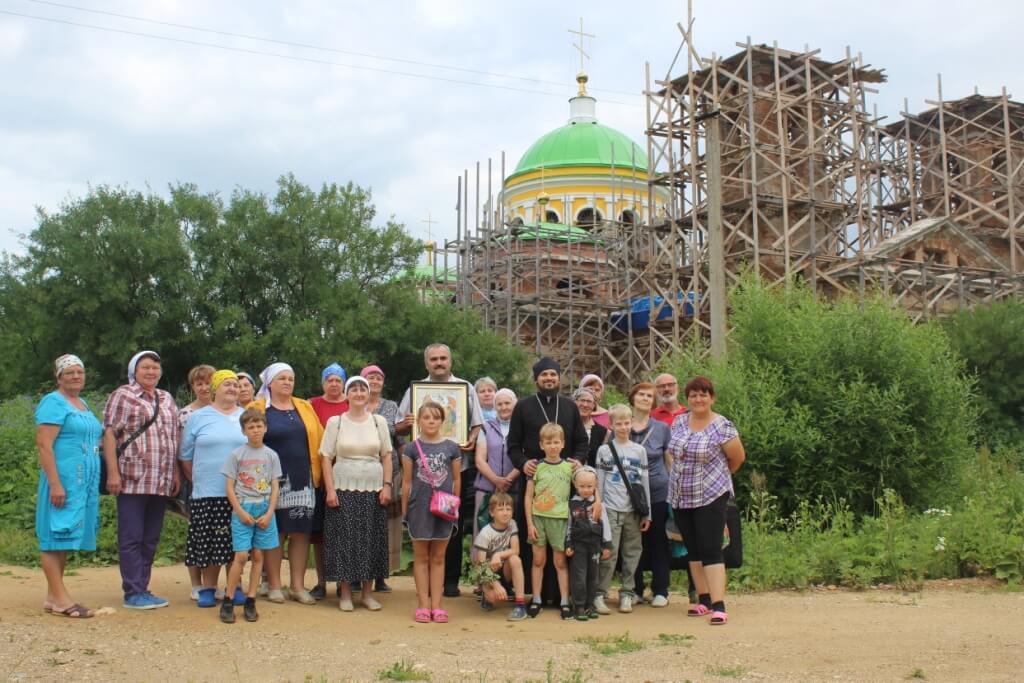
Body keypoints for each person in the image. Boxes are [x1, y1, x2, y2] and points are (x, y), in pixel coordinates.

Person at [396, 343, 482, 598]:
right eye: (434, 359)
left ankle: (451, 581)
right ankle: (427, 590)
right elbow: (400, 425)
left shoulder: (466, 388)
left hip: (457, 467)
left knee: (452, 523)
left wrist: (473, 438)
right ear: (427, 364)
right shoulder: (415, 391)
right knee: (424, 525)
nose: (439, 363)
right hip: (423, 474)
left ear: (450, 361)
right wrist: (405, 424)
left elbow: (476, 424)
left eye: (443, 358)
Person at [102, 350, 180, 610]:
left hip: (161, 479)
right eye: (145, 367)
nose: (151, 372)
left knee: (150, 537)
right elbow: (110, 434)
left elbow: (174, 437)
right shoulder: (123, 395)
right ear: (134, 370)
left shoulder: (166, 398)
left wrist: (176, 473)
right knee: (131, 536)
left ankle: (143, 587)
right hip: (132, 477)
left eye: (155, 368)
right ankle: (133, 591)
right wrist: (113, 472)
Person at [507, 357, 588, 601]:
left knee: (562, 542)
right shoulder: (523, 406)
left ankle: (563, 595)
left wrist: (578, 461)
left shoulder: (570, 407)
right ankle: (536, 593)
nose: (549, 379)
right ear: (536, 379)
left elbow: (582, 442)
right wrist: (523, 463)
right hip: (535, 481)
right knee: (535, 543)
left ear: (559, 377)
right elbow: (512, 445)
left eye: (553, 374)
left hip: (564, 483)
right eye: (544, 375)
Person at [667, 376, 746, 626]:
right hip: (681, 495)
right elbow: (672, 453)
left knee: (711, 548)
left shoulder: (722, 425)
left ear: (712, 397)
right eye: (693, 395)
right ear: (687, 399)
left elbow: (737, 458)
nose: (697, 399)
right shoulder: (679, 421)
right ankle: (703, 600)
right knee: (693, 549)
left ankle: (719, 604)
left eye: (703, 394)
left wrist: (718, 478)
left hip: (711, 494)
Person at [249, 362, 324, 605]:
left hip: (303, 478)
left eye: (291, 378)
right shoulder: (257, 407)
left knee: (301, 533)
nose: (287, 382)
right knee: (274, 533)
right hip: (268, 480)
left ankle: (297, 586)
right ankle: (272, 585)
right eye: (282, 378)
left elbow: (320, 438)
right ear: (269, 383)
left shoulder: (304, 406)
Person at [35, 354, 102, 618]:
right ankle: (62, 599)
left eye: (79, 372)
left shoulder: (82, 403)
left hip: (81, 483)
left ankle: (53, 596)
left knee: (63, 537)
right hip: (63, 480)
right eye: (69, 372)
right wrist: (54, 483)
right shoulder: (53, 402)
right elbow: (44, 444)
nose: (75, 376)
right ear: (59, 377)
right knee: (54, 535)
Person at [319, 376, 393, 612]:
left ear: (368, 393)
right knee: (345, 541)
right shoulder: (336, 422)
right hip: (343, 488)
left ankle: (367, 594)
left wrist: (387, 485)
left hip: (373, 489)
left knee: (370, 540)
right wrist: (330, 489)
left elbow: (387, 456)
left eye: (363, 389)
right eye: (354, 389)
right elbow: (325, 457)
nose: (359, 393)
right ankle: (346, 593)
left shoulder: (378, 421)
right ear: (347, 394)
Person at [179, 370, 247, 608]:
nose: (232, 389)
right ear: (215, 388)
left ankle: (234, 586)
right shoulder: (199, 417)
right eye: (226, 384)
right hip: (207, 491)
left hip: (240, 493)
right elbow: (185, 455)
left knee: (236, 541)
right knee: (209, 541)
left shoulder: (245, 416)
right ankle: (208, 588)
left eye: (235, 386)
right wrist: (197, 479)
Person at [220, 407, 282, 624]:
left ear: (265, 428)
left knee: (258, 556)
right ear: (244, 430)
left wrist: (270, 512)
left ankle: (251, 599)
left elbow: (275, 486)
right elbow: (229, 486)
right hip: (244, 508)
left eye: (259, 426)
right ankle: (228, 599)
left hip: (264, 509)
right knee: (241, 556)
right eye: (250, 427)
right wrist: (239, 511)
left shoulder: (271, 455)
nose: (255, 431)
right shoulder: (237, 455)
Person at [402, 401, 461, 623]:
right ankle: (423, 605)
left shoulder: (451, 448)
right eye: (426, 417)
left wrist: (456, 507)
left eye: (436, 418)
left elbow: (456, 479)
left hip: (444, 508)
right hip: (419, 508)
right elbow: (406, 482)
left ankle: (437, 605)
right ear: (418, 420)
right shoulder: (410, 448)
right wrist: (405, 511)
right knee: (421, 557)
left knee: (438, 557)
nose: (431, 421)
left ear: (442, 421)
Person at [594, 404, 651, 615]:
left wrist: (647, 513)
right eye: (619, 423)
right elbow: (599, 481)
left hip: (633, 510)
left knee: (632, 552)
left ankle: (627, 593)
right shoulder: (604, 450)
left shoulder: (639, 451)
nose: (624, 427)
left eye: (627, 423)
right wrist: (598, 505)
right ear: (611, 425)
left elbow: (644, 482)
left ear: (632, 424)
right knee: (609, 552)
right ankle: (600, 593)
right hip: (610, 508)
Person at [628, 382, 674, 607]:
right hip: (628, 493)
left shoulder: (662, 428)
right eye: (641, 394)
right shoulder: (621, 425)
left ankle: (661, 590)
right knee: (632, 542)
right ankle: (634, 589)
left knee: (658, 541)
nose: (645, 399)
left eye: (649, 396)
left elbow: (668, 460)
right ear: (633, 398)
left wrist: (675, 488)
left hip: (657, 490)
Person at [524, 422, 574, 620]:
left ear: (562, 444)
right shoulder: (536, 467)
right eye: (548, 442)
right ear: (541, 445)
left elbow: (587, 484)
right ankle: (536, 599)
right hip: (538, 519)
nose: (553, 446)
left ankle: (564, 601)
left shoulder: (569, 467)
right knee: (538, 561)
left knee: (560, 562)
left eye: (556, 442)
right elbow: (528, 497)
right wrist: (529, 523)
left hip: (560, 519)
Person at [307, 362, 348, 601]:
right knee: (319, 534)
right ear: (323, 383)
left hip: (347, 478)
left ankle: (349, 578)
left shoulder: (350, 404)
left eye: (338, 380)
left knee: (346, 532)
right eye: (329, 379)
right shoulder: (312, 405)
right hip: (321, 478)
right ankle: (321, 582)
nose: (334, 384)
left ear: (344, 383)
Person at [175, 365, 215, 596]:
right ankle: (196, 584)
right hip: (196, 481)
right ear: (193, 387)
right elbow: (182, 452)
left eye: (208, 382)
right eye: (199, 383)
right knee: (197, 531)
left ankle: (214, 583)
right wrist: (192, 478)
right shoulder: (185, 414)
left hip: (223, 482)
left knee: (219, 532)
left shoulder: (228, 411)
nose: (204, 387)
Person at [362, 364, 400, 593]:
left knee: (385, 527)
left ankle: (380, 576)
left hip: (389, 472)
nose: (375, 381)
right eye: (371, 377)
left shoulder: (392, 406)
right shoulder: (355, 403)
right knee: (362, 524)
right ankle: (358, 574)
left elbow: (400, 438)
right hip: (362, 473)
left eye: (379, 378)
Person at [470, 492, 527, 621]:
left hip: (503, 567)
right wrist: (495, 585)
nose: (505, 513)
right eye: (500, 509)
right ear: (491, 513)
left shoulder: (512, 524)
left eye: (508, 509)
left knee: (515, 559)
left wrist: (498, 554)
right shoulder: (485, 533)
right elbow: (480, 565)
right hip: (488, 571)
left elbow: (516, 550)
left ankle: (520, 605)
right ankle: (487, 590)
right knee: (493, 597)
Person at [564, 467, 611, 621]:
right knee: (579, 576)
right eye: (582, 486)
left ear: (595, 485)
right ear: (575, 485)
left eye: (589, 486)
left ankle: (590, 605)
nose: (586, 490)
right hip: (578, 546)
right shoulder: (571, 504)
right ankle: (579, 606)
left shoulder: (599, 505)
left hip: (595, 545)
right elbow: (568, 526)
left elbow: (606, 525)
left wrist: (607, 545)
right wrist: (568, 544)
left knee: (593, 577)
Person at [473, 388, 519, 538]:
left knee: (512, 537)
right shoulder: (486, 428)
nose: (504, 407)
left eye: (507, 403)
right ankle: (481, 563)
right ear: (495, 406)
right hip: (487, 489)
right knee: (484, 535)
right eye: (499, 404)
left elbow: (525, 457)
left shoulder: (522, 427)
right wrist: (496, 481)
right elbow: (480, 460)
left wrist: (508, 480)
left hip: (515, 490)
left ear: (514, 404)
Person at [573, 388, 608, 467]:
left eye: (589, 401)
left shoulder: (603, 432)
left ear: (594, 405)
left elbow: (604, 461)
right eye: (582, 400)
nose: (585, 405)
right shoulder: (566, 426)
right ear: (575, 402)